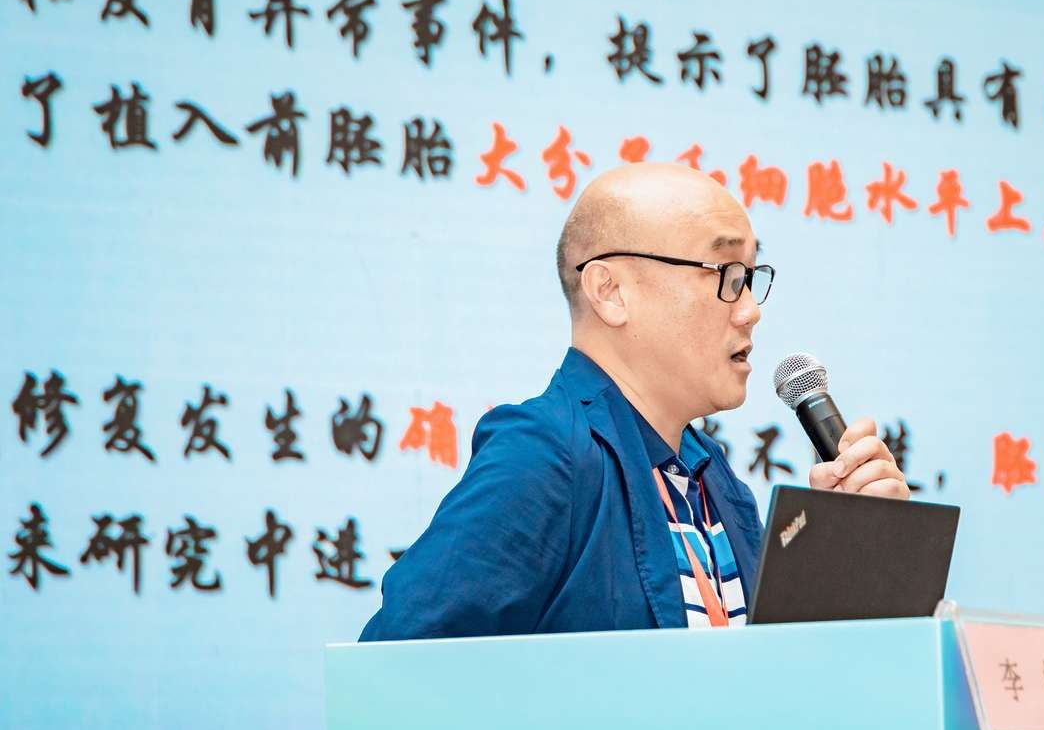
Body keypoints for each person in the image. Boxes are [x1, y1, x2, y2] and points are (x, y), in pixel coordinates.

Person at [359, 162, 908, 640]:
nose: (749, 310)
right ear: (610, 292)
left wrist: (841, 551)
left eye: (750, 277)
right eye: (725, 274)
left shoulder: (712, 477)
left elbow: (767, 686)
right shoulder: (544, 455)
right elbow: (396, 672)